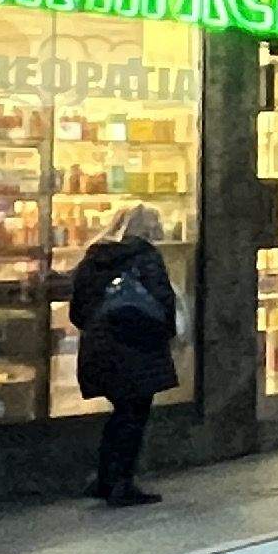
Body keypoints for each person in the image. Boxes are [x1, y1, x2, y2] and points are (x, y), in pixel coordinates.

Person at [66, 205, 180, 506]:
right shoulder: (146, 257)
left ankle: (106, 478)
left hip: (100, 347)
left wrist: (99, 330)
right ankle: (121, 482)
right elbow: (163, 302)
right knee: (133, 416)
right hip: (138, 348)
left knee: (120, 414)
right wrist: (164, 336)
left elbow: (78, 310)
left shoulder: (93, 259)